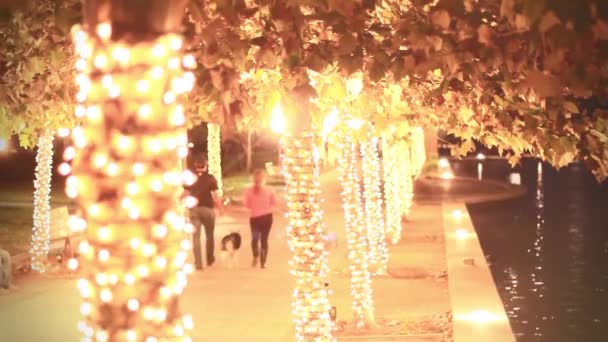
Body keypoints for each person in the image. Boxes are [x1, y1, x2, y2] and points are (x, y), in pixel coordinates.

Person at [183, 156, 223, 270]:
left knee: (196, 237)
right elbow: (216, 195)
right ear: (206, 166)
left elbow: (185, 193)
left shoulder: (190, 178)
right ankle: (210, 259)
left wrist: (178, 201)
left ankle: (198, 263)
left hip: (194, 210)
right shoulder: (210, 178)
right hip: (208, 210)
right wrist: (220, 208)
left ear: (195, 166)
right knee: (209, 235)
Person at [243, 169, 276, 269]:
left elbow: (247, 205)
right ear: (264, 179)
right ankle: (263, 262)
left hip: (255, 218)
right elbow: (274, 204)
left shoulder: (248, 191)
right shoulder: (270, 190)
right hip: (267, 218)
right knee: (264, 240)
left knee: (255, 239)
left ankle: (255, 255)